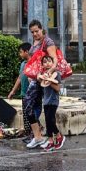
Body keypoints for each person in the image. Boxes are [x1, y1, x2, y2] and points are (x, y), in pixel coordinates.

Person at [23, 20, 59, 149]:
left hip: (42, 80)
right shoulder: (35, 42)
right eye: (32, 32)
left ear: (42, 29)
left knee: (33, 106)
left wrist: (47, 73)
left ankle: (49, 136)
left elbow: (55, 60)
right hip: (35, 79)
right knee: (29, 107)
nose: (35, 34)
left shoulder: (47, 42)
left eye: (36, 31)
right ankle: (38, 136)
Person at [37, 54, 65, 151]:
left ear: (53, 63)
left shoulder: (56, 74)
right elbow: (39, 81)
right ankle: (50, 141)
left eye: (49, 61)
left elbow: (57, 88)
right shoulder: (43, 73)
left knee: (51, 120)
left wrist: (49, 81)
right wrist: (42, 78)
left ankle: (59, 136)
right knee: (48, 121)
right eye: (45, 62)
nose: (47, 63)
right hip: (46, 101)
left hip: (53, 100)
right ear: (42, 65)